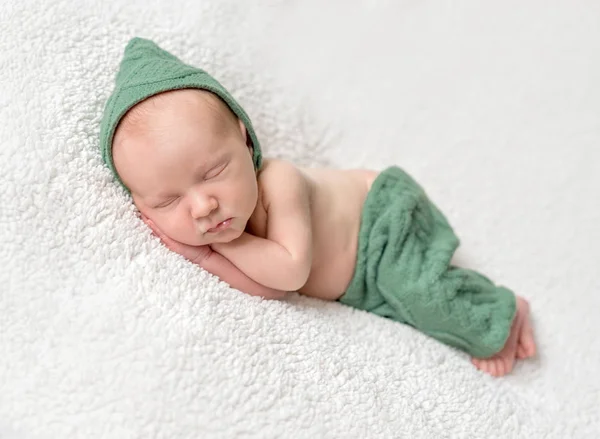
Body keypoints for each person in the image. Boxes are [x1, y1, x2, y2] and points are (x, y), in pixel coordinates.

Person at [99, 37, 536, 377]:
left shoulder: (279, 182)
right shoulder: (226, 228)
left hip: (381, 221)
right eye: (169, 201)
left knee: (425, 296)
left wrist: (213, 250)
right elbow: (271, 289)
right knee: (412, 311)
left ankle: (503, 310)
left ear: (244, 138)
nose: (202, 207)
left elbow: (290, 271)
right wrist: (201, 256)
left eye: (212, 172)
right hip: (359, 279)